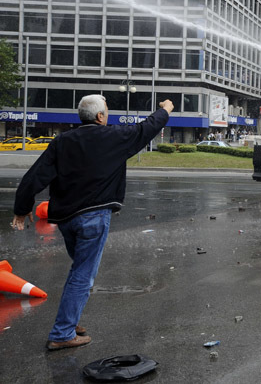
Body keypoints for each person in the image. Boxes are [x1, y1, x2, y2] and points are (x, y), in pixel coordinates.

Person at [11, 95, 174, 351]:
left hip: (65, 220)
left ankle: (70, 320)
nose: (108, 114)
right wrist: (164, 110)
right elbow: (147, 128)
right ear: (100, 117)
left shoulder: (63, 141)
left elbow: (36, 174)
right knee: (82, 275)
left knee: (80, 271)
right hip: (93, 218)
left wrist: (21, 208)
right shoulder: (114, 137)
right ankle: (63, 332)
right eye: (106, 110)